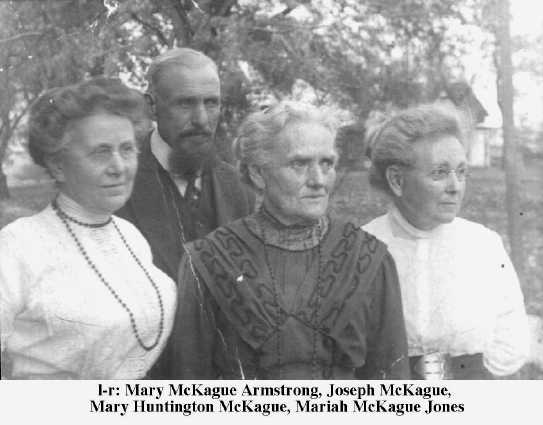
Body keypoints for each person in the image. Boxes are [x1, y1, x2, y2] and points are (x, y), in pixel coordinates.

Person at [170, 101, 410, 379]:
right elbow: (188, 385)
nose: (318, 180)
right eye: (299, 164)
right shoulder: (210, 261)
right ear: (258, 173)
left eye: (327, 163)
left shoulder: (368, 259)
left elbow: (393, 382)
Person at [0, 78, 176, 379]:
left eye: (127, 149)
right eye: (101, 152)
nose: (119, 167)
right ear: (58, 165)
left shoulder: (131, 236)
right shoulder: (17, 247)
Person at [363, 104, 530, 379]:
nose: (455, 186)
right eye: (439, 173)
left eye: (461, 172)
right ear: (397, 180)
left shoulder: (484, 245)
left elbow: (512, 338)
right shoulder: (362, 248)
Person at [117, 48, 255, 282]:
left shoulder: (240, 188)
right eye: (185, 104)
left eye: (211, 103)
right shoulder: (117, 184)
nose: (201, 119)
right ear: (152, 106)